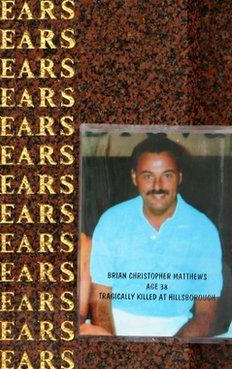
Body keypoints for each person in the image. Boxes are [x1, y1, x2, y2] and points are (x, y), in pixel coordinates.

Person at [87, 135, 223, 337]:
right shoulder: (112, 220)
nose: (158, 185)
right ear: (135, 178)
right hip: (115, 324)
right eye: (148, 176)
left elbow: (206, 315)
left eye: (167, 175)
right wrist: (114, 349)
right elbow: (100, 299)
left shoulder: (203, 229)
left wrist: (169, 354)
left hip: (177, 330)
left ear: (179, 177)